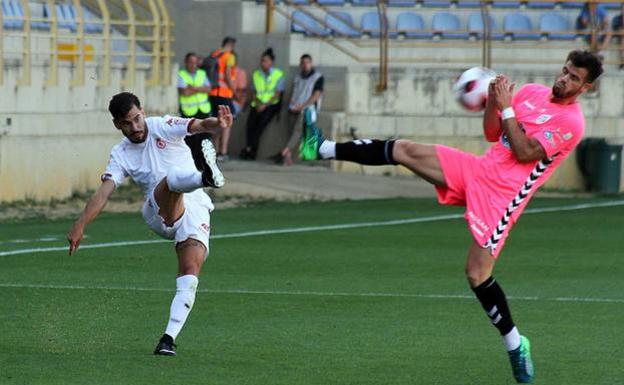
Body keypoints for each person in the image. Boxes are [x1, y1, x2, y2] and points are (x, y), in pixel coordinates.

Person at [303, 50, 603, 383]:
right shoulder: (531, 92)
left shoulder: (571, 123)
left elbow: (523, 151)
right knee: (405, 149)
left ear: (585, 87)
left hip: (502, 198)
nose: (564, 79)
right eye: (564, 71)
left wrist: (505, 106)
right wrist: (493, 101)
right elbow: (494, 134)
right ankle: (321, 147)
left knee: (476, 274)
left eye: (574, 78)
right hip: (478, 169)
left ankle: (516, 344)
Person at [67, 92, 233, 356]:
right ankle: (206, 177)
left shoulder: (162, 125)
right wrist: (80, 223)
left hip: (195, 208)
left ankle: (168, 339)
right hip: (157, 211)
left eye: (137, 119)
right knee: (171, 180)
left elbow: (198, 125)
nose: (135, 127)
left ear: (142, 112)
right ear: (117, 125)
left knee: (190, 274)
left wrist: (219, 124)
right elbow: (104, 193)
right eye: (127, 123)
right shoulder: (120, 153)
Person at [272, 54, 323, 166]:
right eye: (303, 63)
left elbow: (316, 95)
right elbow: (294, 93)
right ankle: (288, 157)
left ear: (311, 63)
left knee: (297, 132)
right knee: (290, 133)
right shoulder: (297, 78)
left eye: (307, 62)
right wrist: (292, 104)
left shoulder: (317, 77)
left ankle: (284, 152)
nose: (305, 65)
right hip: (294, 108)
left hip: (308, 109)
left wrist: (302, 106)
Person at [241, 48, 285, 160]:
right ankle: (248, 148)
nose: (263, 63)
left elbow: (277, 94)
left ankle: (252, 151)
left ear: (271, 62)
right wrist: (258, 103)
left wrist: (264, 105)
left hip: (271, 105)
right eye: (262, 61)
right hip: (257, 104)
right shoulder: (257, 74)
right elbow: (254, 92)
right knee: (249, 125)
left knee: (260, 126)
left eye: (265, 61)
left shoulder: (278, 74)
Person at [177, 52, 213, 171]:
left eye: (195, 62)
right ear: (186, 62)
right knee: (191, 141)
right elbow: (184, 92)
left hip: (203, 111)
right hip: (188, 112)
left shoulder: (202, 74)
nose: (193, 65)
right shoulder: (181, 74)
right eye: (190, 62)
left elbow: (208, 89)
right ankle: (194, 166)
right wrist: (200, 89)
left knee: (205, 139)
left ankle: (205, 165)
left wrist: (193, 88)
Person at [205, 36, 237, 161]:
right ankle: (223, 152)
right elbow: (228, 76)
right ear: (231, 45)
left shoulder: (215, 54)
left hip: (213, 93)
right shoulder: (229, 56)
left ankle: (214, 150)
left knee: (216, 121)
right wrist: (234, 91)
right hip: (224, 94)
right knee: (227, 122)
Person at [231, 52, 248, 119]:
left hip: (235, 103)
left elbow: (239, 95)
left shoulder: (240, 72)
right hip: (222, 102)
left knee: (226, 115)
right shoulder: (222, 72)